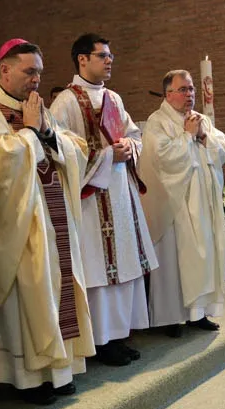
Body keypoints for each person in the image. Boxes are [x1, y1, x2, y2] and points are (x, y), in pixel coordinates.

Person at [0, 39, 95, 405]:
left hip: (53, 215)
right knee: (29, 293)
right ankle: (29, 378)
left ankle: (60, 370)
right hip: (17, 221)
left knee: (58, 285)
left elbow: (75, 146)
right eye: (29, 71)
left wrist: (46, 132)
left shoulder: (35, 107)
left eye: (39, 72)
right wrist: (31, 132)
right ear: (4, 70)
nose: (36, 79)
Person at [50, 33, 157, 366]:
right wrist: (108, 155)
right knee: (99, 270)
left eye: (111, 56)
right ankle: (101, 340)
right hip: (91, 200)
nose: (109, 61)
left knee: (123, 267)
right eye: (102, 55)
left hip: (120, 195)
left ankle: (120, 334)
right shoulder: (65, 102)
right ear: (82, 59)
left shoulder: (113, 97)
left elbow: (134, 134)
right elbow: (61, 154)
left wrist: (129, 146)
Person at [139, 70, 225, 338]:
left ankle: (198, 313)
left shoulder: (200, 119)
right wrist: (187, 137)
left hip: (201, 202)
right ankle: (171, 318)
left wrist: (203, 136)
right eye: (183, 89)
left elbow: (223, 147)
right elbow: (160, 157)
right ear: (168, 94)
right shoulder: (157, 121)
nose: (189, 94)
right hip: (174, 204)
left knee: (203, 257)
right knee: (174, 261)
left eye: (191, 89)